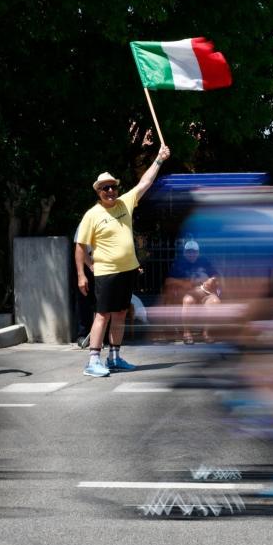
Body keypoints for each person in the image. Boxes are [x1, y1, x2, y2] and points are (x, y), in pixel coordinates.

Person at [75, 143, 171, 377]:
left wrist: (159, 159)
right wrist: (82, 273)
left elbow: (145, 183)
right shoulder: (92, 215)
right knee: (102, 315)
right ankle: (93, 360)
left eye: (113, 187)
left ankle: (115, 357)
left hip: (128, 270)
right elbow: (80, 247)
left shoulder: (125, 202)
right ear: (98, 191)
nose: (110, 191)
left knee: (119, 314)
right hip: (106, 272)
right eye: (105, 188)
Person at [168, 239, 221, 344]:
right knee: (188, 301)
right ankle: (187, 333)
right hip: (189, 292)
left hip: (206, 292)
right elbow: (169, 280)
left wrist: (211, 280)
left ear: (198, 252)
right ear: (185, 252)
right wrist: (182, 283)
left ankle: (206, 333)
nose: (191, 254)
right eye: (188, 251)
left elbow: (216, 275)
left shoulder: (205, 261)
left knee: (215, 302)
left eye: (194, 251)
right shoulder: (179, 264)